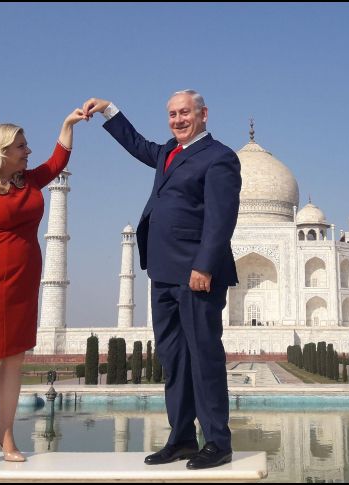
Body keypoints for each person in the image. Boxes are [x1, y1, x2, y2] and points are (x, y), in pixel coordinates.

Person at [82, 90, 241, 469]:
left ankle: (218, 441)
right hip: (163, 273)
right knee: (173, 358)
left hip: (196, 274)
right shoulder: (169, 152)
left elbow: (221, 219)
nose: (178, 119)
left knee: (203, 357)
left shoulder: (220, 157)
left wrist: (204, 265)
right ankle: (182, 437)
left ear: (203, 114)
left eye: (185, 112)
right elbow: (137, 145)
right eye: (172, 114)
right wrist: (109, 110)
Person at [0, 108, 84, 466]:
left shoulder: (26, 183)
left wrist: (67, 125)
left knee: (15, 361)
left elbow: (58, 161)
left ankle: (6, 433)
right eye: (22, 146)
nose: (28, 151)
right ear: (2, 151)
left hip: (27, 275)